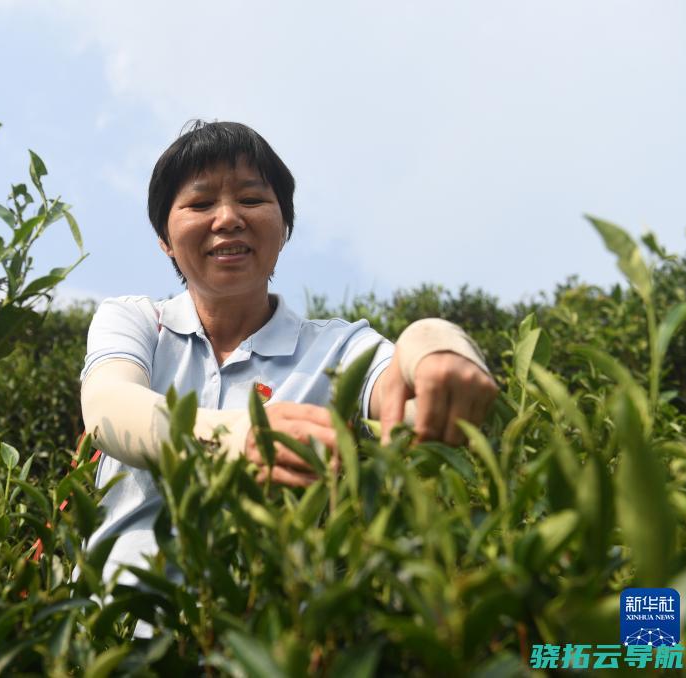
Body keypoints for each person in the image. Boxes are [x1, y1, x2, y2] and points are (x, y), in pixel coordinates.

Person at [80, 121, 497, 587]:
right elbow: (109, 409)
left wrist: (435, 342)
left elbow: (409, 394)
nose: (228, 218)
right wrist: (238, 439)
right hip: (116, 627)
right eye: (200, 204)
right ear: (164, 237)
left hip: (276, 640)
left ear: (284, 227)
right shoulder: (136, 321)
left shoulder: (338, 348)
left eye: (252, 199)